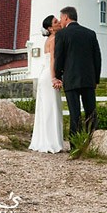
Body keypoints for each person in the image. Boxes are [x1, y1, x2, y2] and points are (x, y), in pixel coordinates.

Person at [53, 6, 102, 147]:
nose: (60, 21)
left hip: (71, 79)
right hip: (88, 79)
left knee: (75, 114)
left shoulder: (62, 35)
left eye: (61, 18)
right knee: (91, 113)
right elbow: (97, 58)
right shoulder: (90, 33)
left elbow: (59, 57)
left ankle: (75, 145)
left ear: (66, 17)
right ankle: (93, 143)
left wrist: (57, 75)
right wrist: (96, 79)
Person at [29, 15, 65, 153]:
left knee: (47, 108)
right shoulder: (55, 39)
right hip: (49, 75)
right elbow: (52, 60)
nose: (59, 23)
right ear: (50, 28)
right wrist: (54, 77)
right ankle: (52, 142)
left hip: (43, 75)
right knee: (52, 108)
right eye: (56, 22)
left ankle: (44, 140)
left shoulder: (48, 40)